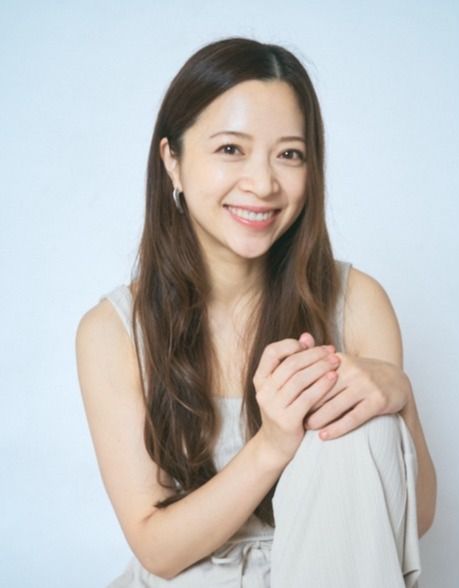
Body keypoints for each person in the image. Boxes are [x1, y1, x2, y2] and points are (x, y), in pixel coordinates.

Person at [75, 37, 437, 587]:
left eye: (289, 154)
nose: (264, 183)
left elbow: (410, 523)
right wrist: (271, 445)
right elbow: (157, 550)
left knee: (363, 422)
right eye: (231, 149)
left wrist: (401, 399)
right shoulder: (114, 331)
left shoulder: (357, 301)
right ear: (172, 160)